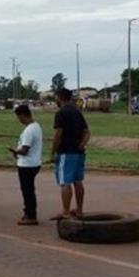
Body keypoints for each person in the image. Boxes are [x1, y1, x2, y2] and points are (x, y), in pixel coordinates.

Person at [51, 88, 90, 219]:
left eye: (55, 97)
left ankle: (66, 212)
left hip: (66, 152)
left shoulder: (61, 113)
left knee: (65, 182)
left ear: (59, 97)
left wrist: (52, 152)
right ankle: (79, 209)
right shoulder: (77, 112)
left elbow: (58, 134)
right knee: (78, 181)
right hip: (79, 152)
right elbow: (87, 132)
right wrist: (81, 145)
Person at [8, 105, 43, 226]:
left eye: (19, 117)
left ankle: (30, 215)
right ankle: (29, 213)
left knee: (27, 191)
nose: (19, 120)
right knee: (29, 190)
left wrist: (14, 150)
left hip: (27, 165)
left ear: (23, 115)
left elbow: (25, 150)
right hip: (35, 162)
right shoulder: (36, 126)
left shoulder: (29, 130)